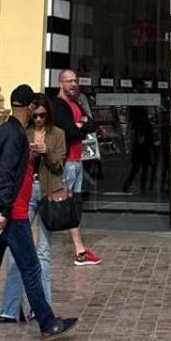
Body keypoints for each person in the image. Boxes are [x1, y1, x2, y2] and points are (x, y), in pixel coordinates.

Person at [0, 84, 78, 341]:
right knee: (31, 267)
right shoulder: (15, 135)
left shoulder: (0, 132)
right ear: (27, 107)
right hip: (11, 214)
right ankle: (48, 324)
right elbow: (3, 175)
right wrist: (4, 210)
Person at [0, 90, 64, 323]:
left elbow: (59, 166)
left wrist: (46, 153)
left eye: (42, 116)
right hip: (23, 194)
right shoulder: (20, 133)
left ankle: (41, 307)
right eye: (35, 115)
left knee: (43, 252)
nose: (38, 120)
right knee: (16, 255)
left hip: (45, 193)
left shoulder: (57, 134)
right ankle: (11, 309)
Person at [52, 67, 101, 266]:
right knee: (64, 205)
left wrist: (82, 124)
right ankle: (79, 250)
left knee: (73, 205)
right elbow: (70, 132)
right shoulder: (58, 105)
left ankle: (79, 249)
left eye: (75, 81)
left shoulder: (76, 104)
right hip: (67, 163)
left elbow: (92, 125)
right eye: (69, 81)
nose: (73, 84)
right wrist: (80, 126)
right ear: (60, 83)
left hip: (77, 161)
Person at [122, 106, 156, 194]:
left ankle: (128, 184)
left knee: (135, 169)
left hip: (138, 150)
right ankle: (142, 187)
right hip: (145, 150)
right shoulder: (146, 125)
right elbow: (150, 138)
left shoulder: (137, 124)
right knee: (143, 170)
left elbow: (135, 137)